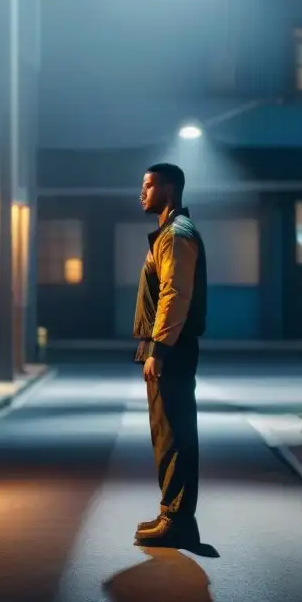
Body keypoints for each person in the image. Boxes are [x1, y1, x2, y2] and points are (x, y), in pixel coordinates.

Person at [131, 162, 207, 548]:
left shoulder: (176, 234)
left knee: (174, 435)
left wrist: (158, 349)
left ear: (170, 189)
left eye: (148, 185)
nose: (141, 192)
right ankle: (171, 514)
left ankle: (177, 520)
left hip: (171, 350)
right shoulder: (169, 232)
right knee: (167, 434)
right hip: (169, 348)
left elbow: (174, 295)